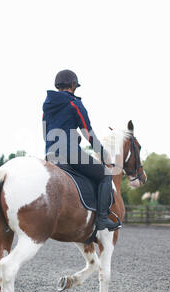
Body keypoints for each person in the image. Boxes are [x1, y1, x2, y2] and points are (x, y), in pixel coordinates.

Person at [42, 69, 122, 232]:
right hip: (70, 154)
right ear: (73, 85)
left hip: (50, 154)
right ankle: (102, 218)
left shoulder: (47, 106)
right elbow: (88, 132)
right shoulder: (74, 104)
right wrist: (104, 154)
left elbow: (45, 134)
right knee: (106, 174)